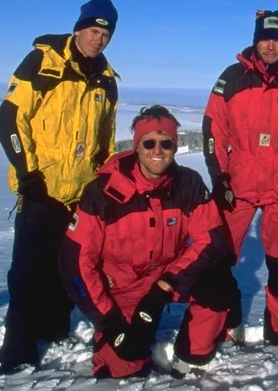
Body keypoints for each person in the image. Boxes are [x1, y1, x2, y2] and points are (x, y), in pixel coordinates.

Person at [59, 106, 237, 379]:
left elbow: (210, 239)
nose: (158, 150)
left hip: (165, 278)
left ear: (175, 147)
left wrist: (164, 286)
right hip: (121, 290)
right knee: (127, 362)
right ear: (137, 147)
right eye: (149, 143)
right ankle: (114, 345)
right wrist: (109, 323)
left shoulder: (187, 184)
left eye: (166, 143)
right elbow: (76, 263)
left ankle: (193, 356)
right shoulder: (103, 192)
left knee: (219, 284)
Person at [0, 0, 120, 373]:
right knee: (26, 271)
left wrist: (104, 184)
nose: (98, 39)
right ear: (79, 28)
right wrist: (27, 173)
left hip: (80, 192)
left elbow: (105, 142)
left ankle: (54, 328)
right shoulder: (43, 62)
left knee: (68, 266)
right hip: (40, 189)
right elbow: (10, 118)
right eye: (93, 30)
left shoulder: (107, 80)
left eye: (106, 33)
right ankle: (17, 347)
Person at [202, 10, 278, 345]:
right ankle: (225, 324)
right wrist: (219, 178)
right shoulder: (233, 77)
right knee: (218, 260)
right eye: (265, 39)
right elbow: (214, 130)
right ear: (255, 41)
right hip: (237, 186)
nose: (271, 46)